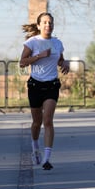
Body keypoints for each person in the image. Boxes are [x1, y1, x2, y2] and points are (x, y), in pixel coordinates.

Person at [19, 12, 70, 170]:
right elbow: (22, 63)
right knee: (37, 122)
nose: (48, 25)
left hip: (51, 85)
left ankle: (47, 158)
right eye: (45, 22)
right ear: (39, 25)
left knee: (48, 121)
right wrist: (39, 56)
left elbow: (59, 59)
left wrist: (64, 62)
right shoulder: (32, 42)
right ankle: (35, 147)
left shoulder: (57, 43)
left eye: (51, 23)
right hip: (35, 86)